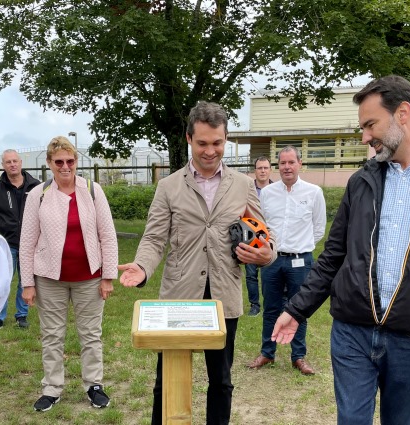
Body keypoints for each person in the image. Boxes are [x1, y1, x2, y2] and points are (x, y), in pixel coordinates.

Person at [271, 75, 410, 425]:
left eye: (370, 124)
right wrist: (296, 309)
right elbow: (334, 255)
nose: (365, 137)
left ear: (403, 113)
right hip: (352, 331)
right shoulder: (363, 180)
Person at [118, 101, 276, 425]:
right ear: (189, 138)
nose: (210, 150)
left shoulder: (244, 185)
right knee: (167, 381)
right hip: (178, 296)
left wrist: (267, 254)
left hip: (223, 299)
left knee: (221, 381)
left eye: (217, 143)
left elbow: (264, 238)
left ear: (226, 139)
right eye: (202, 143)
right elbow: (153, 238)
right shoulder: (168, 186)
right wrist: (143, 266)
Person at [19, 136, 119, 412]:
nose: (65, 166)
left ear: (76, 162)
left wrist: (108, 275)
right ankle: (52, 388)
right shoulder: (37, 195)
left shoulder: (93, 190)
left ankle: (94, 384)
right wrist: (27, 283)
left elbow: (107, 235)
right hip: (50, 279)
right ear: (49, 164)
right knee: (52, 335)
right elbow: (27, 241)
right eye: (59, 161)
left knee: (91, 334)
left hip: (89, 277)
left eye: (70, 161)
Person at [246, 146, 326, 375]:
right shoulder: (268, 194)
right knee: (271, 307)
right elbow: (261, 227)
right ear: (277, 166)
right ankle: (267, 353)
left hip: (301, 261)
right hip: (271, 260)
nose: (287, 167)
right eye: (283, 163)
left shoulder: (313, 192)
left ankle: (298, 356)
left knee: (298, 308)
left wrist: (301, 246)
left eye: (291, 162)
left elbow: (319, 227)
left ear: (300, 164)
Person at [0, 149, 41, 328]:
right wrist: (6, 227)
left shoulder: (35, 186)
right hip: (7, 243)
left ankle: (21, 315)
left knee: (25, 281)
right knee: (3, 282)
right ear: (3, 165)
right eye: (8, 162)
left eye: (15, 161)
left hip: (30, 243)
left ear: (21, 163)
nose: (12, 165)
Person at [245, 156, 274, 317]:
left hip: (269, 238)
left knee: (269, 274)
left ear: (270, 170)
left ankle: (270, 304)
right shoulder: (248, 189)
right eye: (259, 168)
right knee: (250, 274)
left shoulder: (278, 189)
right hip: (250, 237)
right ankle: (254, 305)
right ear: (254, 171)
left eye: (265, 168)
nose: (262, 171)